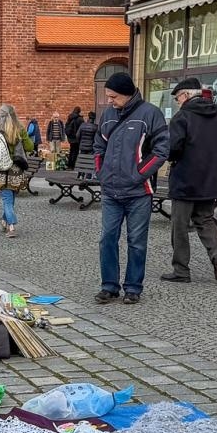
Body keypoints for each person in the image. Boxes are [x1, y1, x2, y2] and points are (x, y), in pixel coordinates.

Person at [93, 71, 169, 304]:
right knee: (107, 239)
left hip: (139, 192)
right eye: (108, 96)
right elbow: (99, 145)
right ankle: (109, 286)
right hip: (111, 191)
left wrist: (139, 174)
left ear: (127, 94)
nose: (109, 101)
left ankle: (133, 287)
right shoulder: (108, 115)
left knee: (136, 241)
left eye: (113, 97)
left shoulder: (150, 114)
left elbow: (162, 149)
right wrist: (101, 173)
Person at [160, 79, 217, 284]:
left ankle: (181, 270)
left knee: (180, 225)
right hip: (212, 181)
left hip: (186, 180)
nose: (177, 102)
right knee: (205, 220)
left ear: (185, 95)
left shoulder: (182, 117)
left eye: (177, 98)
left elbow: (173, 148)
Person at [0, 103, 33, 238]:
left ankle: (11, 226)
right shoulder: (20, 129)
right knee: (10, 196)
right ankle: (4, 220)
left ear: (0, 115)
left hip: (1, 167)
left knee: (7, 197)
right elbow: (29, 147)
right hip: (16, 168)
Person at [71, 106, 97, 171]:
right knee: (89, 161)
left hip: (82, 146)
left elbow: (77, 135)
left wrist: (80, 142)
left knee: (82, 160)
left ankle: (81, 173)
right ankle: (88, 174)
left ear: (88, 117)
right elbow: (97, 138)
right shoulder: (95, 127)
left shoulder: (83, 125)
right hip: (91, 147)